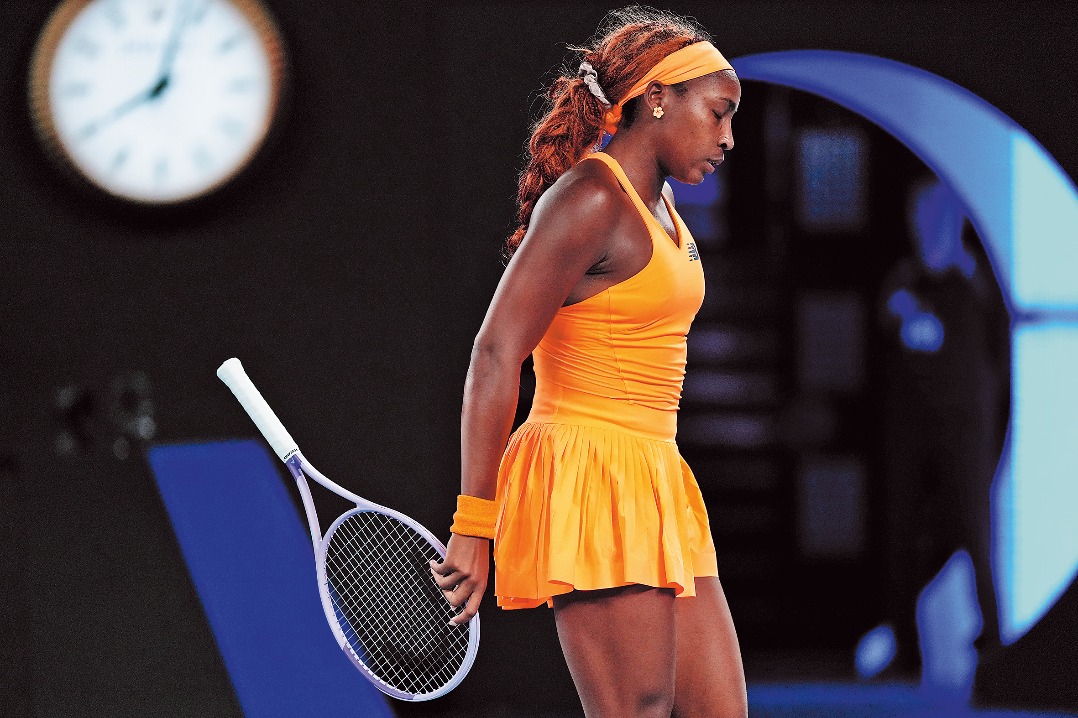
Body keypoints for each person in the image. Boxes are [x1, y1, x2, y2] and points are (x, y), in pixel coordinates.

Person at [430, 8, 748, 717]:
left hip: (656, 474)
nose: (728, 138)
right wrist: (473, 523)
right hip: (590, 473)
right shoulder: (591, 198)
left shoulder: (662, 205)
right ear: (658, 98)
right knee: (637, 710)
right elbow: (495, 353)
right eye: (719, 113)